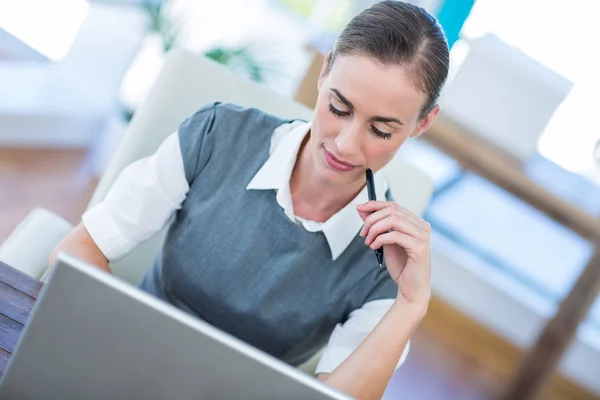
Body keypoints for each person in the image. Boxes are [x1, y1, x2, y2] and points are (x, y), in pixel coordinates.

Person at [51, 1, 449, 398]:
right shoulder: (217, 135)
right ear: (324, 70)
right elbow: (80, 247)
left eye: (380, 131)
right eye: (337, 107)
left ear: (423, 123)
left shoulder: (388, 259)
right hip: (121, 365)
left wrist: (411, 303)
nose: (345, 145)